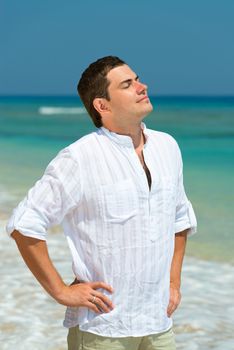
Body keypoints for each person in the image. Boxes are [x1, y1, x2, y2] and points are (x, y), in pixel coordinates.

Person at [7, 56, 197, 350]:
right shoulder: (79, 158)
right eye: (127, 84)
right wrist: (59, 291)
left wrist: (174, 283)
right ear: (102, 105)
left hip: (159, 324)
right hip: (103, 329)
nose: (142, 86)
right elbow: (25, 224)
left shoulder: (168, 147)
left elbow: (180, 219)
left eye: (137, 79)